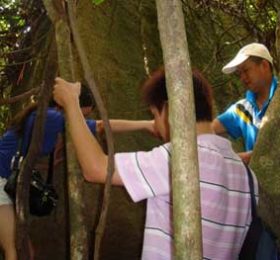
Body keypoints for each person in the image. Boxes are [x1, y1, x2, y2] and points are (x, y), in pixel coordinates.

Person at [53, 68, 258, 259]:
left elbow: (95, 168)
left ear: (169, 110)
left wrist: (71, 103)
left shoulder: (180, 159)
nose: (156, 126)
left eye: (154, 115)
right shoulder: (246, 175)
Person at [212, 42, 278, 164]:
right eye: (239, 74)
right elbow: (208, 129)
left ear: (264, 66)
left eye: (246, 70)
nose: (242, 78)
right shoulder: (243, 109)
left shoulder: (277, 102)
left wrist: (254, 156)